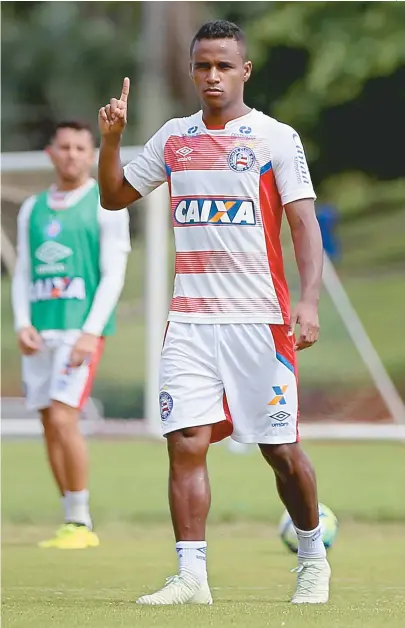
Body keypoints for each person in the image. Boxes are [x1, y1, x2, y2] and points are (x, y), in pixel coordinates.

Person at [98, 20, 330, 604]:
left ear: (244, 70)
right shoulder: (173, 139)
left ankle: (312, 558)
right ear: (191, 70)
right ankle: (192, 578)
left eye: (224, 65)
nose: (212, 75)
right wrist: (111, 139)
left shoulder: (276, 137)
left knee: (279, 450)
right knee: (185, 442)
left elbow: (303, 223)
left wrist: (307, 300)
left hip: (260, 320)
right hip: (191, 320)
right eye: (202, 65)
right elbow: (113, 196)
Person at [12, 120, 131, 549]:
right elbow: (23, 270)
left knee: (64, 417)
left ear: (92, 154)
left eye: (81, 147)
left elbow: (113, 274)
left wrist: (90, 332)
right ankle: (68, 518)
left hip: (79, 332)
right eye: (65, 147)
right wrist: (22, 322)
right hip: (40, 332)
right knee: (49, 423)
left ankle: (81, 523)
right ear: (51, 153)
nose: (72, 155)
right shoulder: (32, 209)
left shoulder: (106, 205)